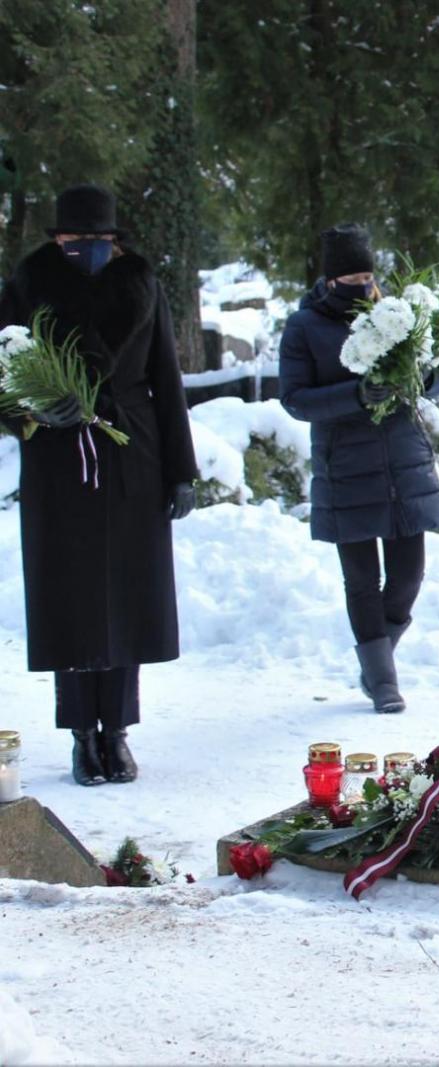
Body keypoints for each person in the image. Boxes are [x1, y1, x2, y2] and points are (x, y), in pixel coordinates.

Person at [0, 183, 199, 786]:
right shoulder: (25, 285)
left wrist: (181, 470)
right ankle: (81, 735)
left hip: (131, 455)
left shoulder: (141, 285)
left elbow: (166, 376)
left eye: (99, 240)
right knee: (72, 599)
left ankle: (118, 730)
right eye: (75, 240)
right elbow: (2, 370)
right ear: (56, 239)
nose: (87, 248)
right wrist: (30, 413)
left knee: (127, 598)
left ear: (115, 242)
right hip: (59, 463)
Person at [278, 224, 439, 714]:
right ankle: (382, 682)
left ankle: (378, 657)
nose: (362, 284)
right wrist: (353, 395)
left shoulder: (397, 316)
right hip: (345, 470)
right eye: (351, 277)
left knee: (409, 577)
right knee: (361, 580)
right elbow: (294, 399)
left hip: (402, 463)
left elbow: (437, 377)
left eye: (368, 275)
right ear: (330, 280)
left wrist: (427, 377)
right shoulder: (304, 326)